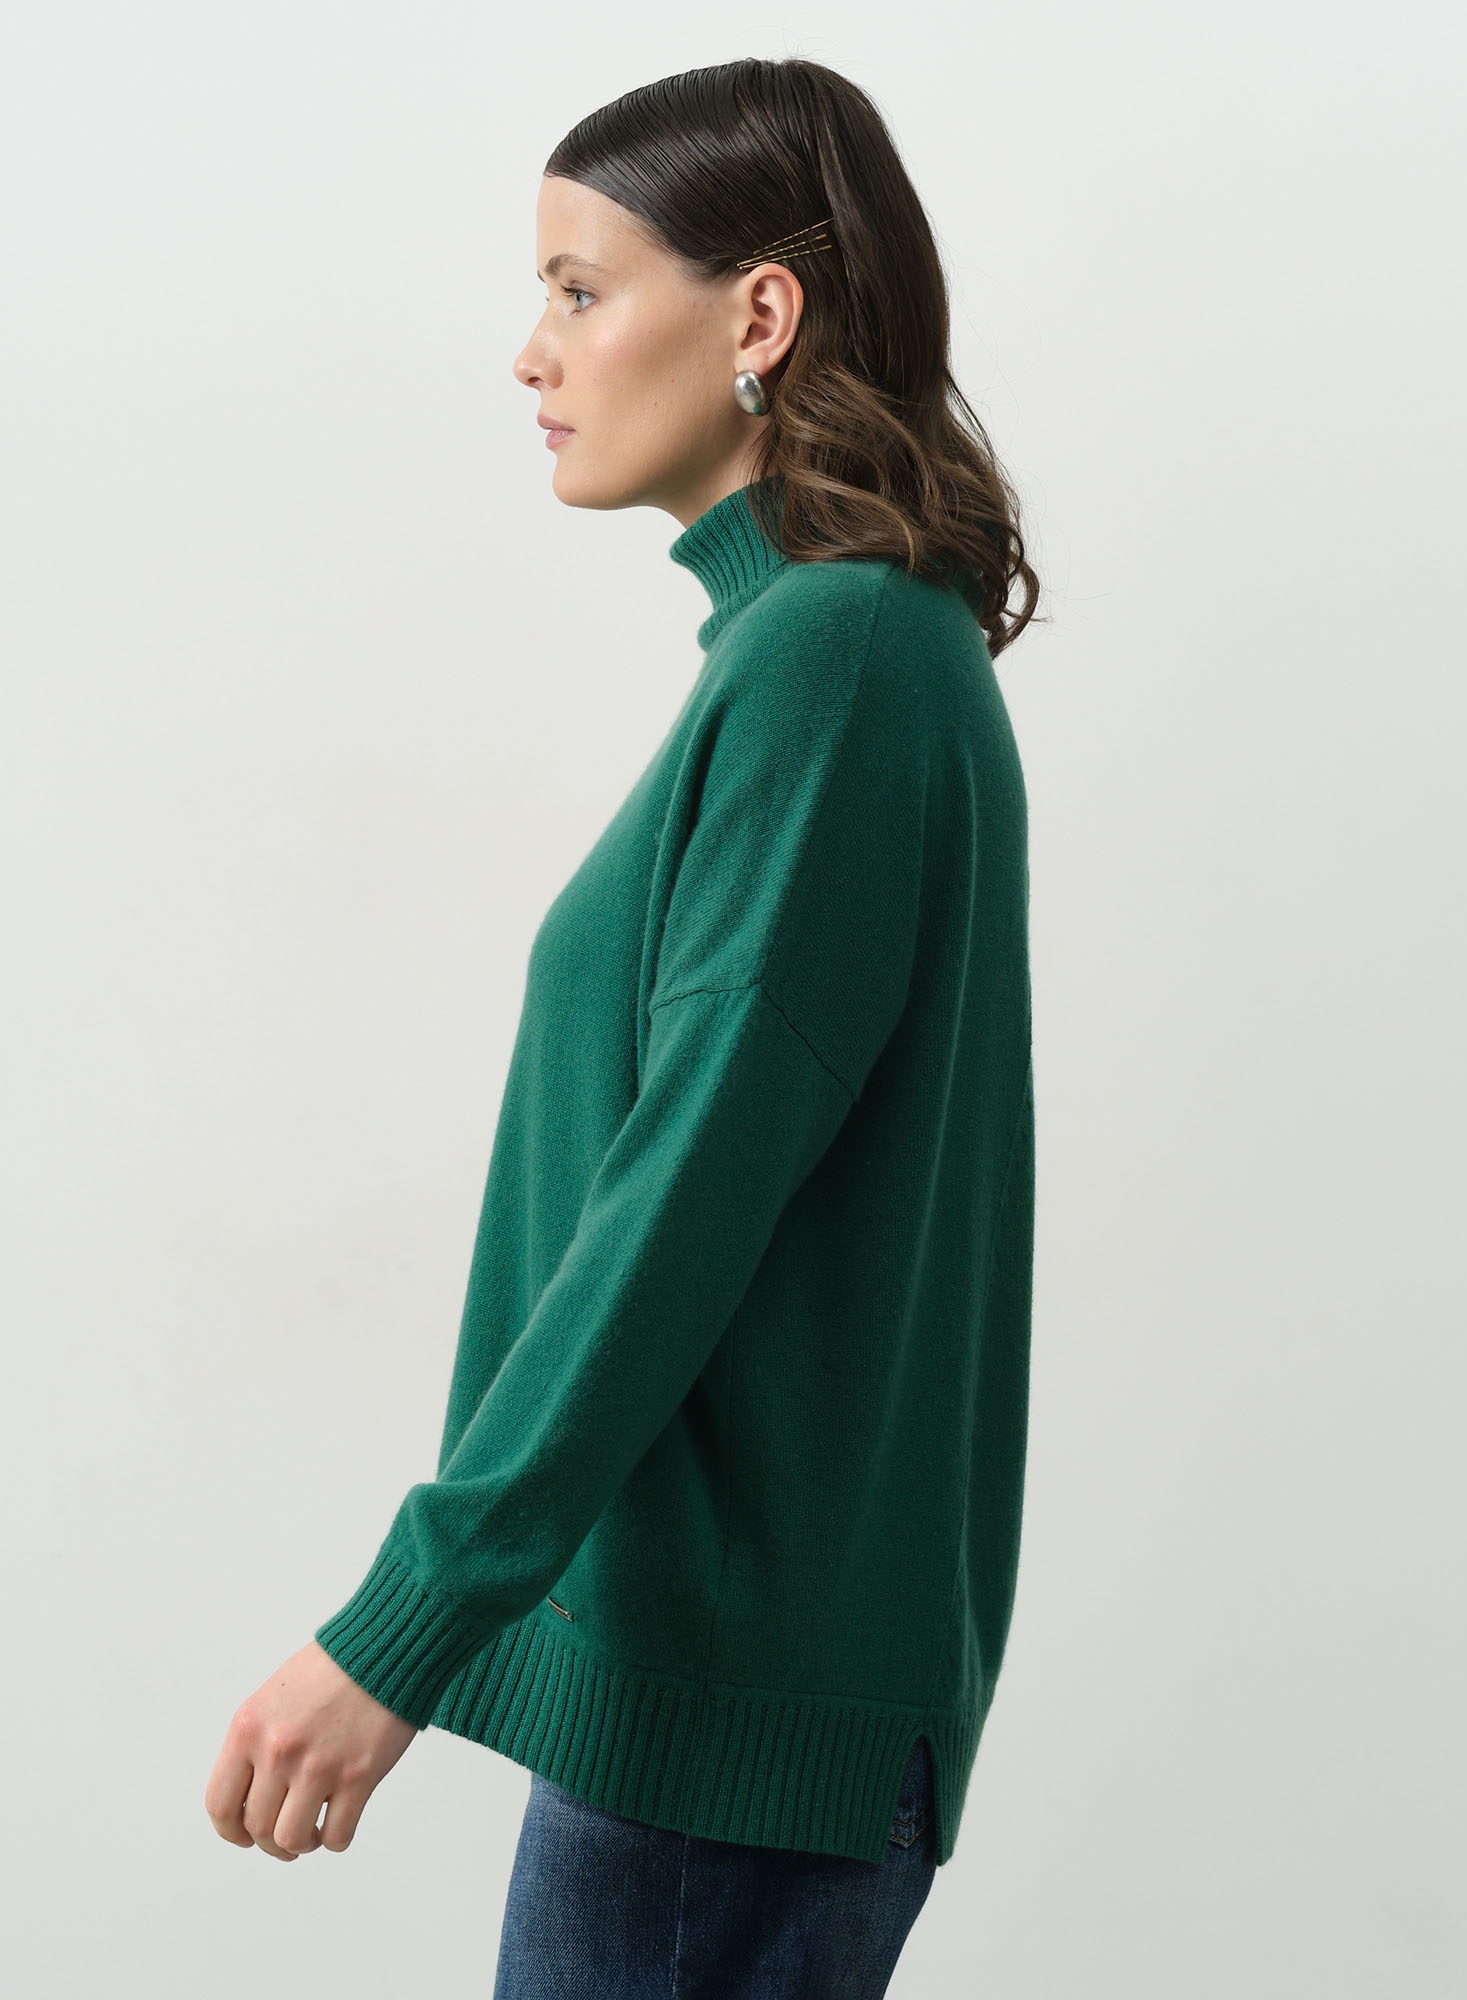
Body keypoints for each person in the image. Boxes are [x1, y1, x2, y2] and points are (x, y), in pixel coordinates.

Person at [205, 54, 1042, 1999]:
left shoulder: (840, 658)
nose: (534, 351)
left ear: (761, 315)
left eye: (581, 290)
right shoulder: (831, 647)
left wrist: (404, 1619)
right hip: (721, 1714)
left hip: (723, 1727)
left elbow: (681, 1199)